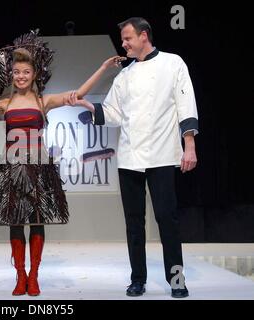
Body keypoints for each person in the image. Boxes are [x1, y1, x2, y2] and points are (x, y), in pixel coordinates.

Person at [0, 31, 123, 296]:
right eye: (16, 72)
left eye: (25, 72)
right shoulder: (4, 103)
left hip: (39, 169)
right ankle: (20, 276)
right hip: (12, 170)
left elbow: (80, 92)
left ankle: (34, 276)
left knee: (37, 222)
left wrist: (104, 67)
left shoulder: (43, 101)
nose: (21, 76)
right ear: (11, 74)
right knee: (15, 222)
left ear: (34, 74)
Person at [68, 17, 198, 298]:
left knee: (167, 219)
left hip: (162, 154)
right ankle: (137, 279)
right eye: (123, 39)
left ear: (144, 36)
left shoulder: (173, 63)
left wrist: (190, 146)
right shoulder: (125, 75)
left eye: (127, 38)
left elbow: (186, 104)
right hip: (129, 157)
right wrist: (88, 105)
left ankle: (176, 280)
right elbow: (114, 114)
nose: (123, 44)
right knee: (133, 222)